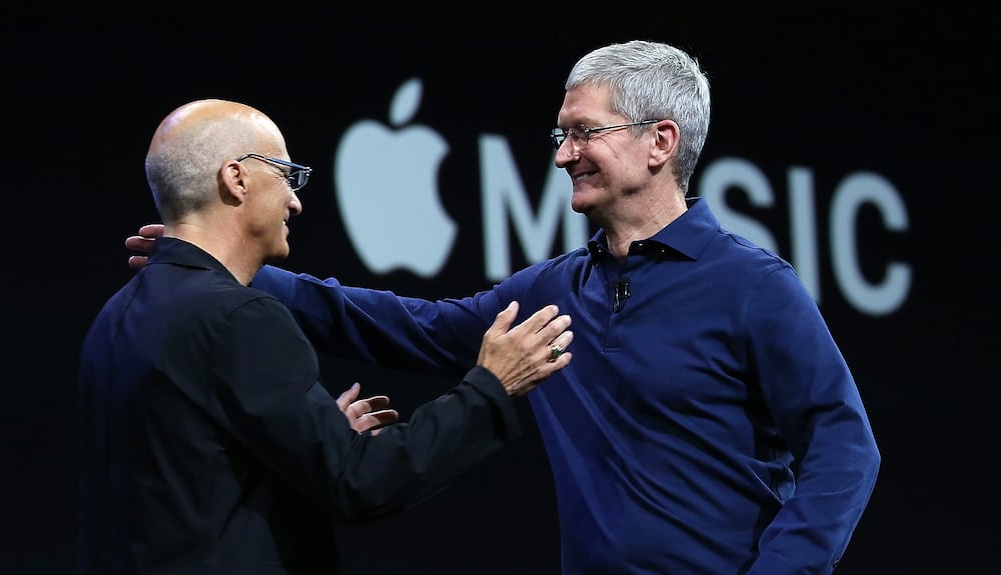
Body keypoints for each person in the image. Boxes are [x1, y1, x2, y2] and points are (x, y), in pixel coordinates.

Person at [127, 40, 880, 575]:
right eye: (561, 134)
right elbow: (413, 327)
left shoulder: (753, 285)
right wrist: (235, 267)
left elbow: (845, 447)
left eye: (584, 132)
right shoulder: (555, 289)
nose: (562, 154)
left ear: (661, 142)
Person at [83, 98, 574, 575]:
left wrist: (312, 439)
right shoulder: (240, 315)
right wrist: (491, 387)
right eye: (286, 175)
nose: (295, 202)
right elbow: (361, 483)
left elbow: (188, 481)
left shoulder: (119, 312)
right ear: (236, 179)